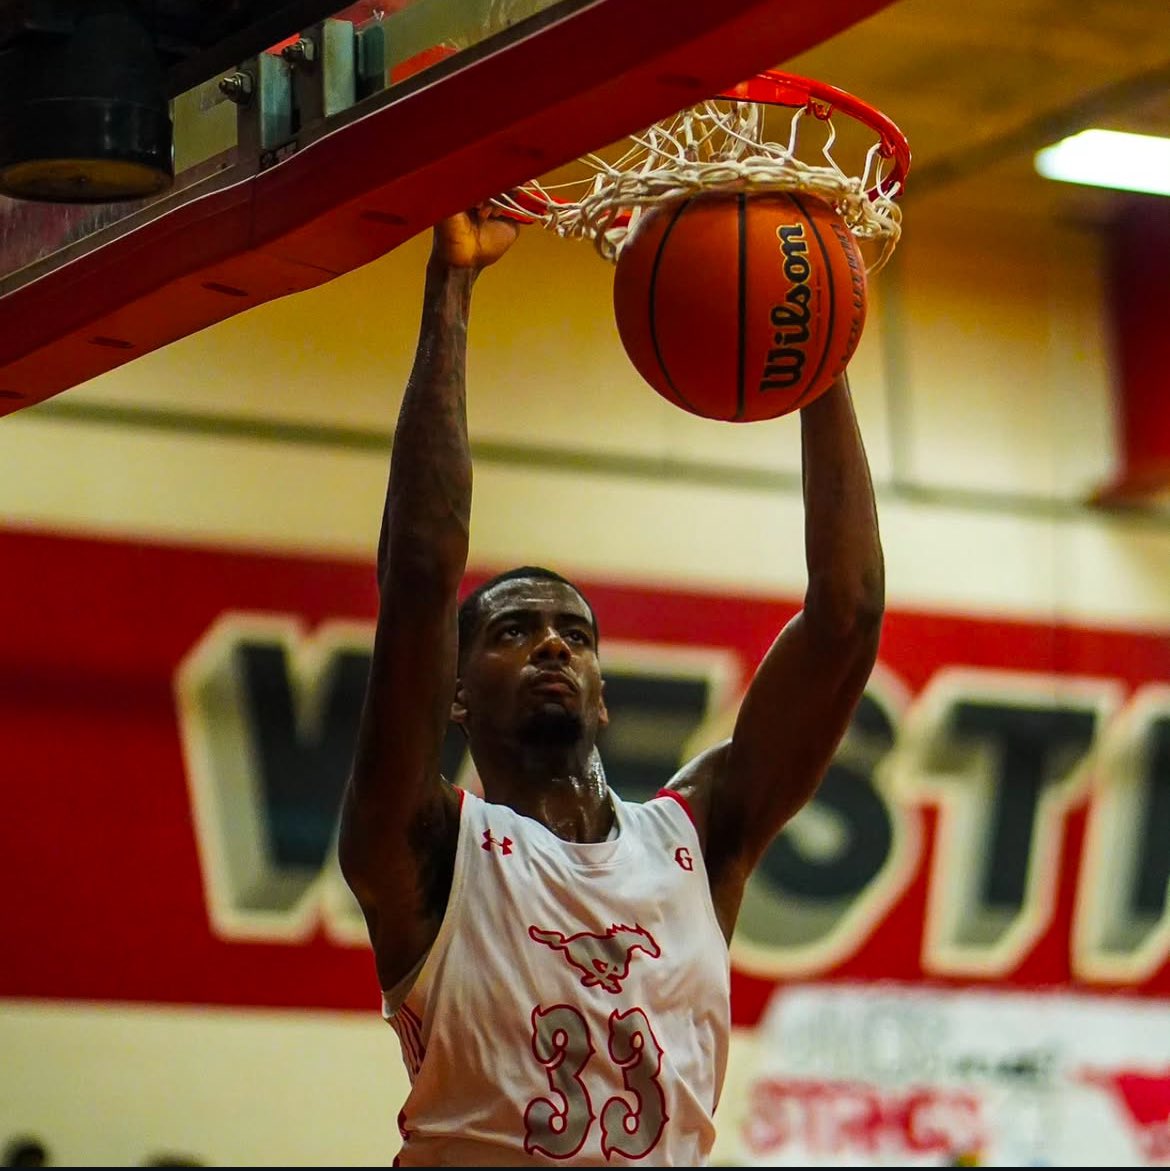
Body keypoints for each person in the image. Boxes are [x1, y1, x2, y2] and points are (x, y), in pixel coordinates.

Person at [338, 203, 884, 1166]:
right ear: (456, 693)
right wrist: (452, 286)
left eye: (575, 635)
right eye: (514, 630)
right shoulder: (425, 847)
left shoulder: (700, 833)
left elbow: (845, 617)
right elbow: (422, 571)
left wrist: (819, 346)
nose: (553, 645)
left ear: (603, 694)